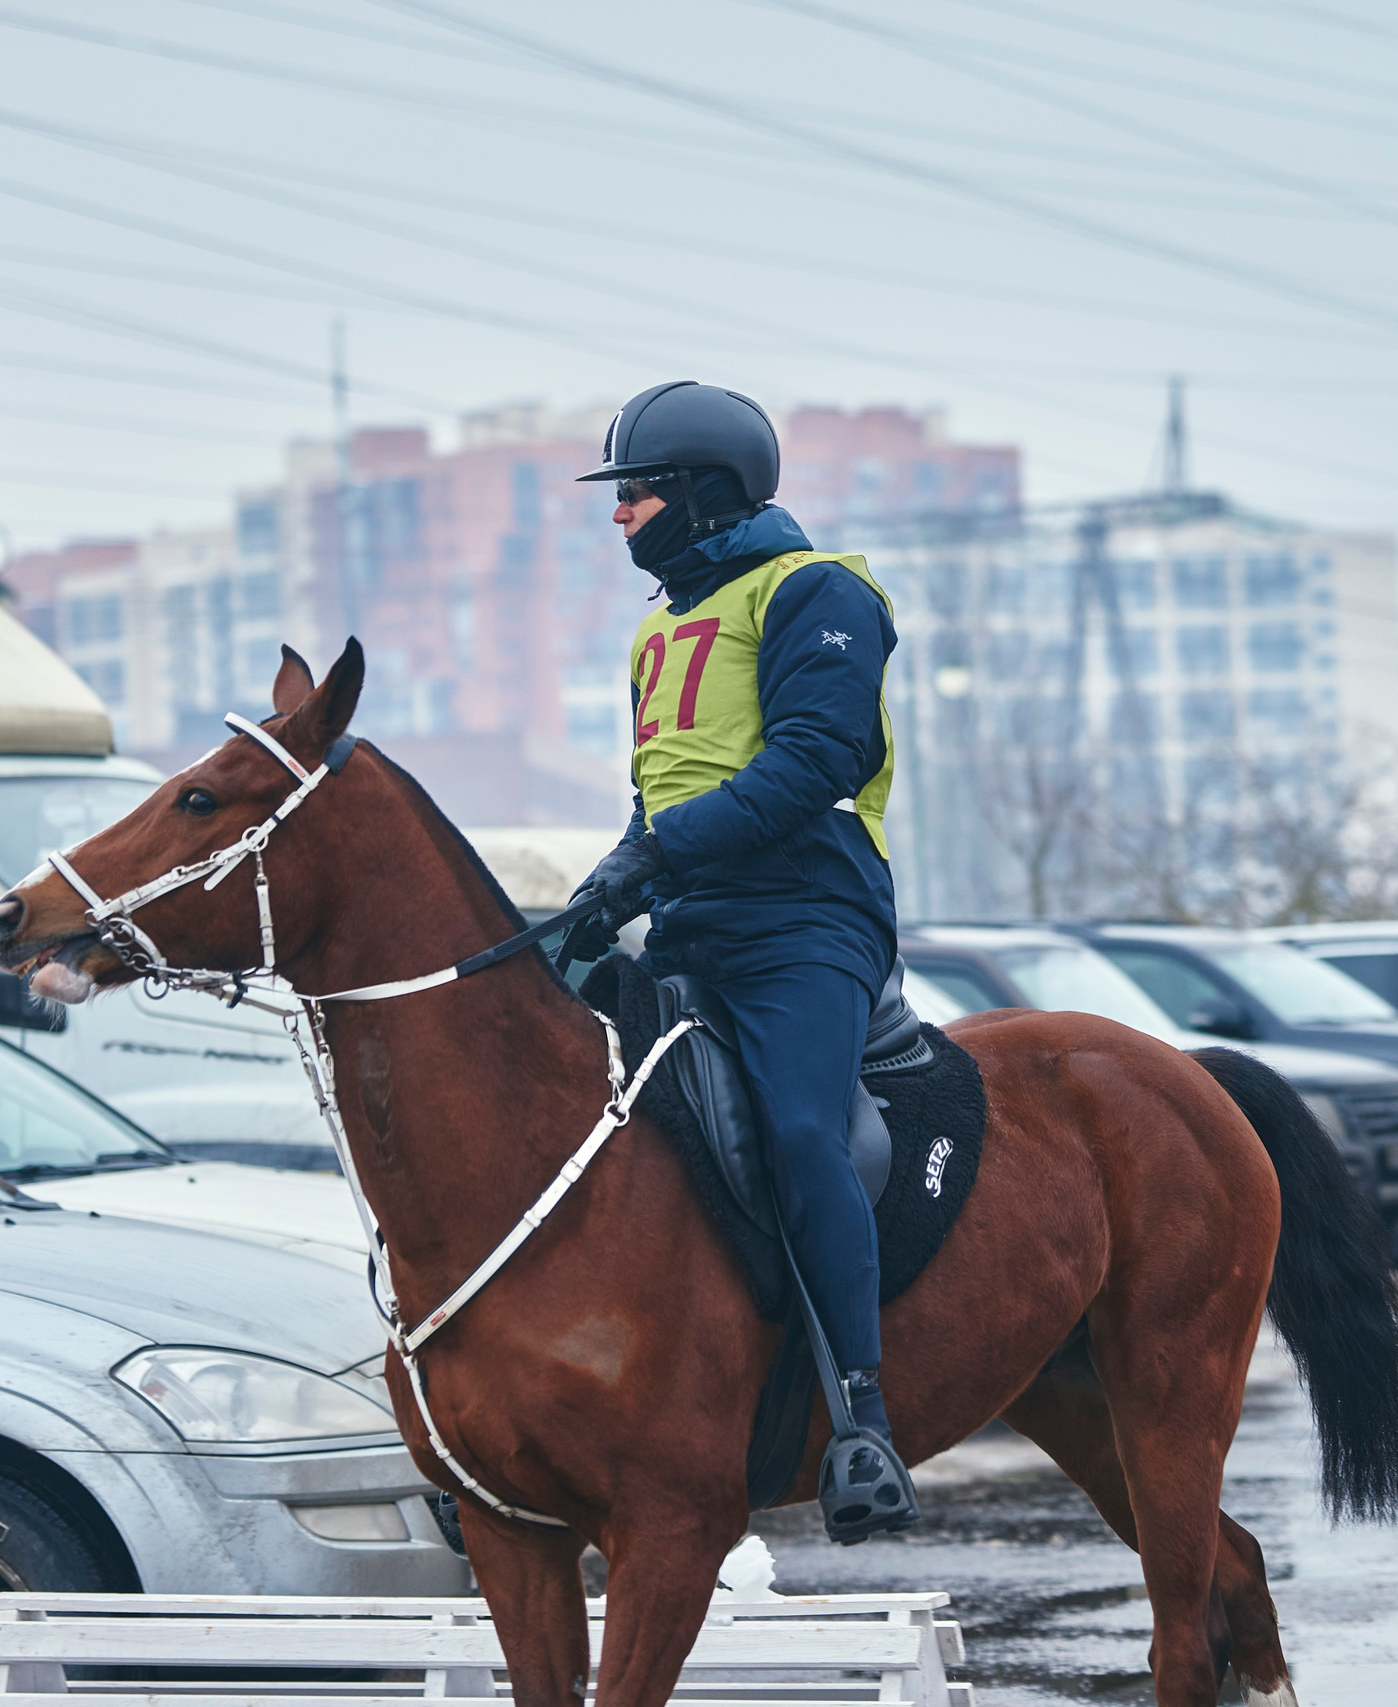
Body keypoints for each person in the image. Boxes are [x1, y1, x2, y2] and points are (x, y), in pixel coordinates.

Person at [561, 381, 916, 1540]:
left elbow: (816, 759)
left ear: (704, 492)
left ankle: (861, 1417)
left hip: (804, 919)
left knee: (801, 1131)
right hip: (691, 917)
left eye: (637, 490)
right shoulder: (656, 628)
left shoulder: (818, 592)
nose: (620, 512)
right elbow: (659, 791)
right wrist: (607, 884)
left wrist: (657, 853)